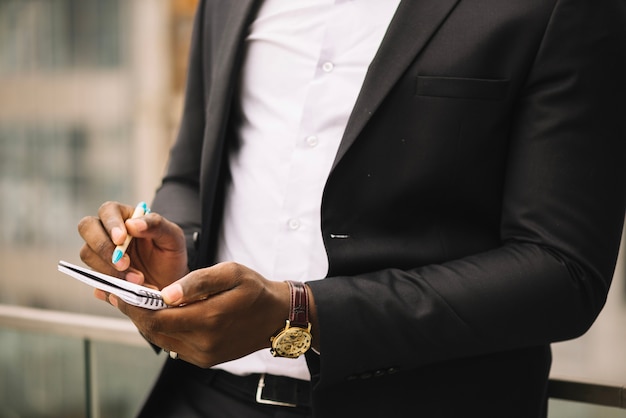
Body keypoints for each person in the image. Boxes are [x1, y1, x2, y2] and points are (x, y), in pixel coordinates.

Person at [77, 0, 626, 417]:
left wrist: (304, 314)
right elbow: (191, 175)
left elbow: (563, 269)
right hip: (202, 398)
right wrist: (169, 258)